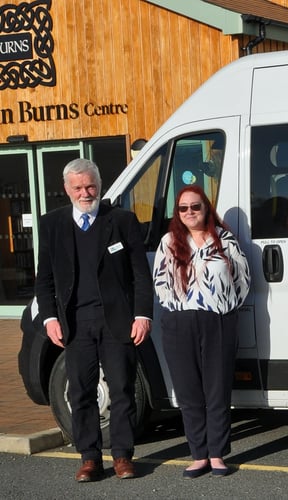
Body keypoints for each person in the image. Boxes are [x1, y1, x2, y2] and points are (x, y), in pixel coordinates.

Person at [34, 158, 153, 482]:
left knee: (122, 390)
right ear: (66, 190)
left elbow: (141, 276)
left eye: (90, 186)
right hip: (75, 323)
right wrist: (49, 319)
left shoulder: (122, 221)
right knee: (81, 393)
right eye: (78, 187)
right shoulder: (52, 225)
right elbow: (43, 279)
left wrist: (142, 315)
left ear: (99, 185)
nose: (85, 193)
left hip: (117, 321)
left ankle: (122, 456)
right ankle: (89, 458)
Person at [153, 185, 250, 478]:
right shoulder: (169, 242)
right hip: (180, 323)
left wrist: (225, 308)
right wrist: (181, 309)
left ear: (206, 209)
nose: (190, 213)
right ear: (177, 213)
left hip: (218, 321)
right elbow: (160, 283)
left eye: (195, 207)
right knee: (189, 391)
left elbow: (243, 281)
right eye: (183, 208)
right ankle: (198, 455)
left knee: (217, 390)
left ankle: (218, 454)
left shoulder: (225, 241)